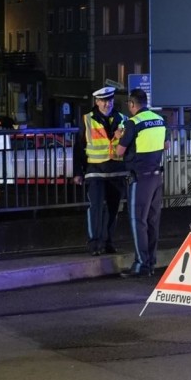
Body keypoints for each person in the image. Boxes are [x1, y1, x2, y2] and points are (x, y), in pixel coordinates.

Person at [116, 87, 166, 277]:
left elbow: (119, 152)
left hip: (140, 178)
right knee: (153, 221)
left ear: (132, 104)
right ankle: (151, 262)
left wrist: (120, 137)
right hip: (156, 176)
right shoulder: (160, 119)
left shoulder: (133, 123)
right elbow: (165, 144)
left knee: (138, 220)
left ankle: (141, 264)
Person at [72, 85, 128, 256]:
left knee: (113, 210)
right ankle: (94, 243)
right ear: (96, 102)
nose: (107, 104)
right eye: (103, 101)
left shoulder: (123, 119)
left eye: (109, 100)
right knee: (96, 208)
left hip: (116, 171)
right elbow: (79, 148)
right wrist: (78, 172)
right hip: (95, 171)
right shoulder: (87, 119)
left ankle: (108, 242)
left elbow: (129, 145)